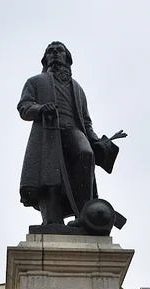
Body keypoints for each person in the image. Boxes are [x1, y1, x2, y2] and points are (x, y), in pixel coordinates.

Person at [18, 42, 125, 227]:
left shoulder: (77, 89)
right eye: (50, 52)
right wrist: (41, 109)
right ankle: (51, 221)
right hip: (47, 133)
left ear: (67, 58)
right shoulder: (35, 82)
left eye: (59, 51)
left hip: (73, 130)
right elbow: (24, 107)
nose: (54, 54)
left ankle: (84, 214)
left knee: (86, 154)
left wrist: (97, 141)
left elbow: (86, 121)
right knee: (50, 180)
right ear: (46, 59)